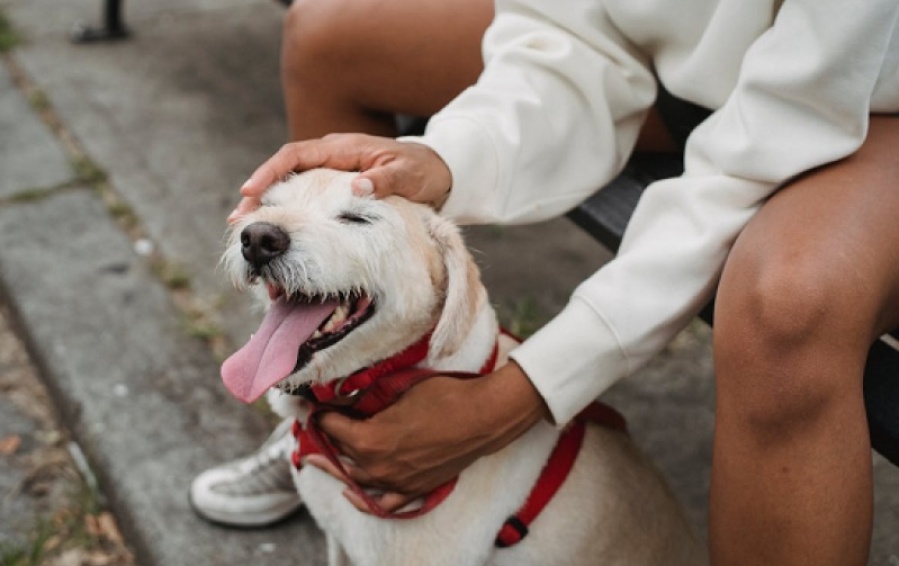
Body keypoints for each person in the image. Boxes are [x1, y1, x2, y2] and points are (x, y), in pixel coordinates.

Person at [191, 0, 899, 563]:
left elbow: (785, 126)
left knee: (788, 301)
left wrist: (521, 393)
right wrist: (442, 159)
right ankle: (331, 408)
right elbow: (566, 32)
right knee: (324, 37)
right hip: (690, 68)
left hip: (860, 97)